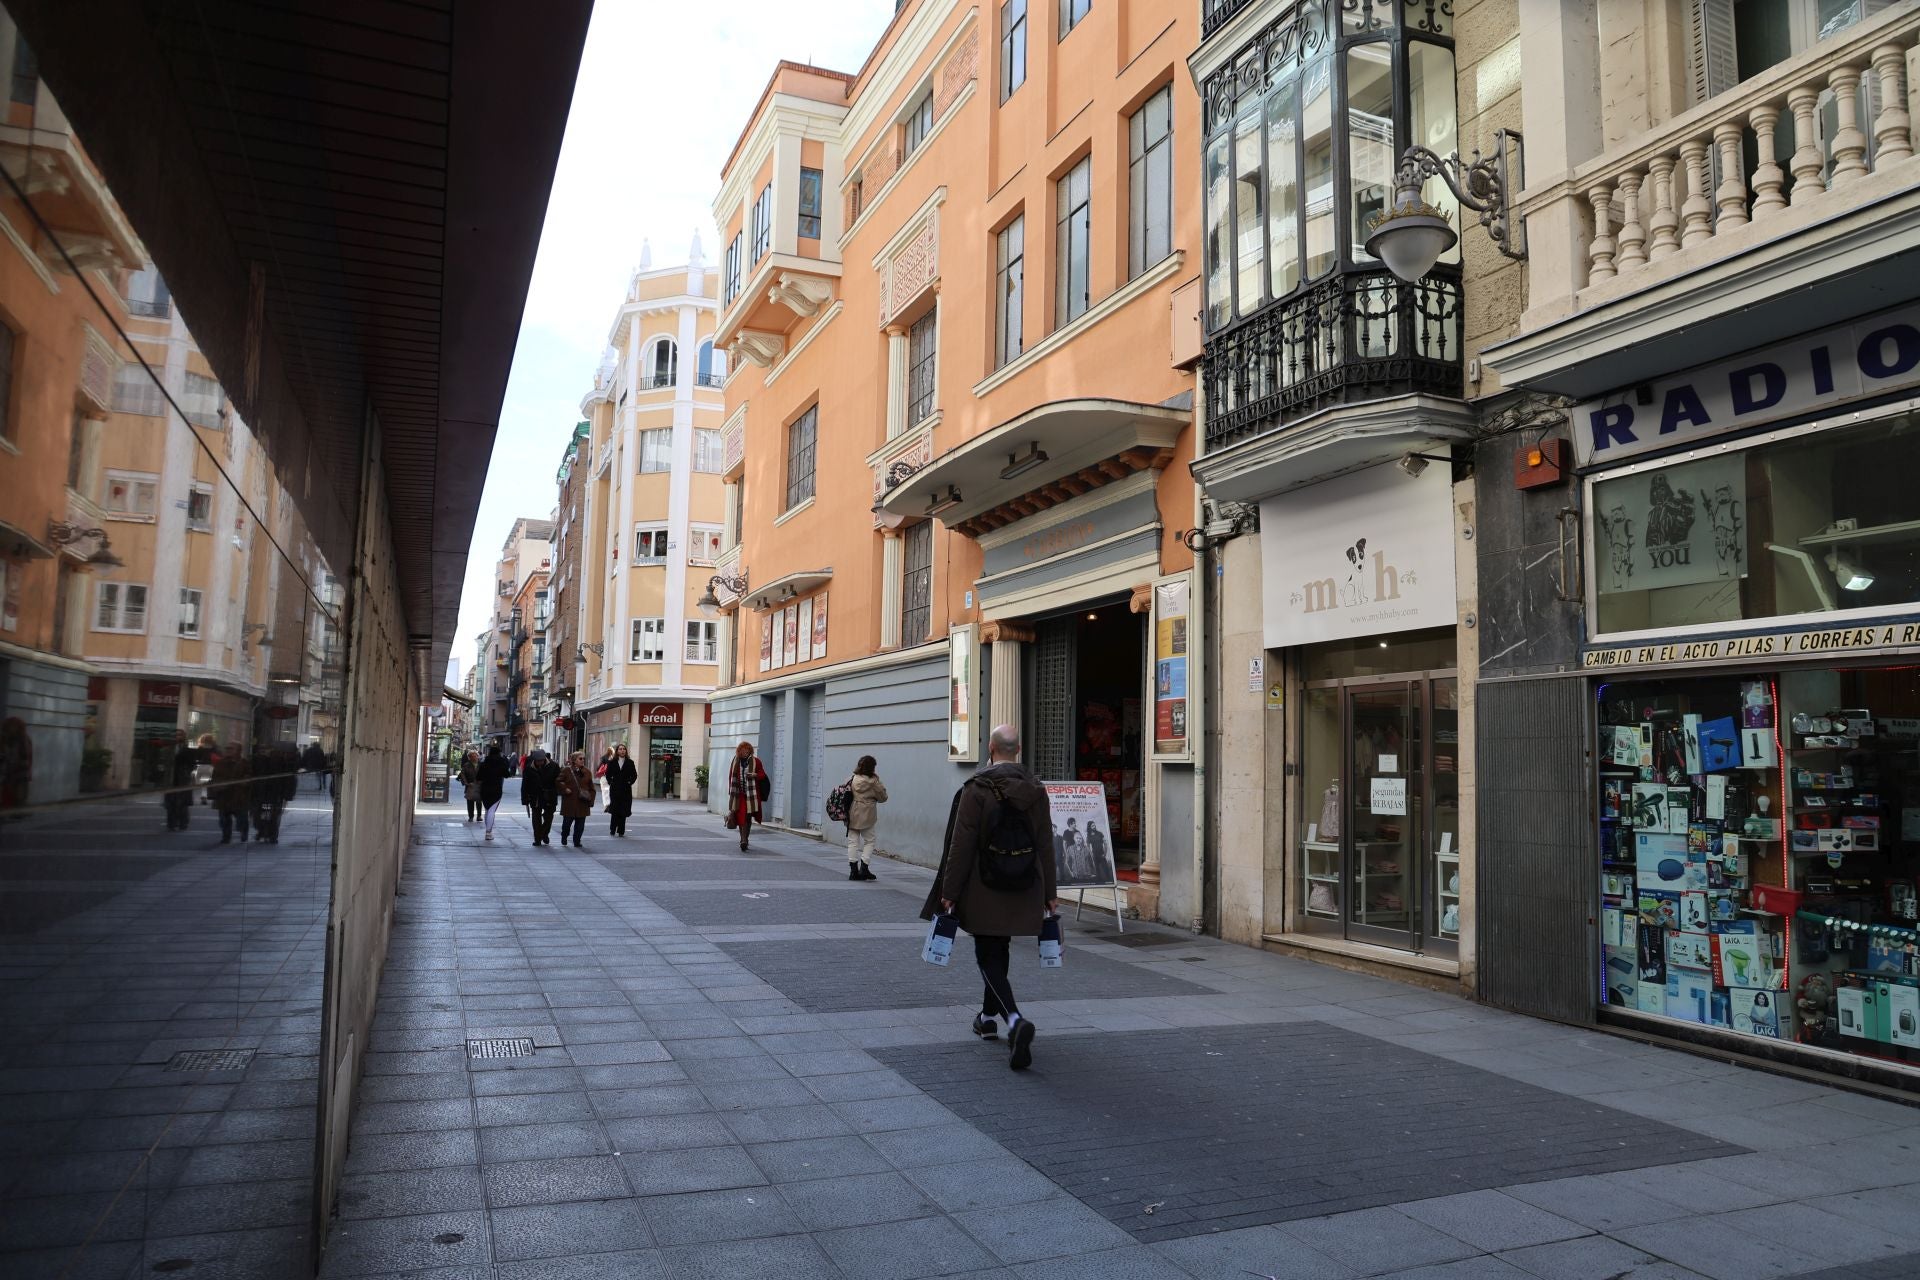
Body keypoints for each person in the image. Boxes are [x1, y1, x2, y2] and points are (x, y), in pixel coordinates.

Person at [922, 723, 1058, 1071]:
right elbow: (1046, 843)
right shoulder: (1037, 789)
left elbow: (961, 844)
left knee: (986, 954)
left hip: (985, 884)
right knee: (1000, 948)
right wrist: (1051, 893)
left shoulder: (977, 788)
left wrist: (949, 892)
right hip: (1026, 882)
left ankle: (1014, 1019)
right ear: (1019, 749)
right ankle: (987, 1018)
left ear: (990, 748)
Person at [846, 754, 888, 881]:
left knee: (853, 841)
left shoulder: (853, 779)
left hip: (852, 812)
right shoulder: (874, 782)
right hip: (867, 814)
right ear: (872, 768)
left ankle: (853, 872)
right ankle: (864, 868)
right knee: (869, 840)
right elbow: (883, 797)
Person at [727, 740, 769, 852]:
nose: (745, 752)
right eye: (743, 750)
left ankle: (744, 839)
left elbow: (762, 774)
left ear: (750, 751)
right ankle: (743, 840)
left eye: (747, 750)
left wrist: (755, 775)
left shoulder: (756, 762)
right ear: (739, 751)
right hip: (739, 794)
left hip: (752, 795)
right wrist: (730, 791)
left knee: (748, 817)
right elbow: (731, 776)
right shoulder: (735, 761)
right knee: (742, 816)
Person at [211, 741, 253, 844]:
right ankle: (226, 837)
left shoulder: (244, 763)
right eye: (227, 748)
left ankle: (244, 832)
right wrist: (218, 786)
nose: (228, 750)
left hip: (239, 797)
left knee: (242, 818)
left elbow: (249, 777)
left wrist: (245, 782)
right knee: (224, 819)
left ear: (238, 750)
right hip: (224, 796)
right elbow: (215, 777)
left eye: (231, 748)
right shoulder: (220, 763)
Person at [556, 750, 597, 848]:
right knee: (567, 823)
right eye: (580, 758)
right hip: (569, 802)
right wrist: (565, 789)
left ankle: (577, 841)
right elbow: (558, 781)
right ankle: (564, 836)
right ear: (574, 760)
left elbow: (592, 788)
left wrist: (591, 801)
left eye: (583, 759)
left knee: (580, 825)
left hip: (583, 802)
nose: (583, 760)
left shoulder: (587, 772)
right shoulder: (567, 770)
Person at [522, 747, 560, 847]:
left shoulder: (553, 766)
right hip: (535, 796)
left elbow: (559, 781)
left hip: (549, 795)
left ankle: (544, 834)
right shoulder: (529, 767)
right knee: (536, 818)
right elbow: (525, 784)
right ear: (534, 760)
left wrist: (558, 791)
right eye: (538, 761)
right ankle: (537, 839)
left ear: (544, 759)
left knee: (548, 817)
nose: (540, 763)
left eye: (541, 761)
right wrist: (524, 798)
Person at [164, 731, 198, 830]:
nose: (178, 737)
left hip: (183, 779)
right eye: (176, 735)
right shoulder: (169, 749)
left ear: (184, 737)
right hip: (171, 780)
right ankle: (171, 823)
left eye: (180, 735)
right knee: (170, 803)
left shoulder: (189, 750)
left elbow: (192, 765)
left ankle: (183, 823)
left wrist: (187, 773)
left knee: (183, 803)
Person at [477, 743, 510, 840]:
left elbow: (478, 777)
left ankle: (488, 832)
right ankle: (488, 832)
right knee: (492, 810)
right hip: (496, 789)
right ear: (499, 753)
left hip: (485, 789)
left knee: (487, 809)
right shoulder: (501, 763)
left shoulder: (484, 763)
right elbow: (507, 774)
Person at [604, 742, 637, 836]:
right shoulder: (612, 762)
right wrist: (611, 782)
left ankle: (621, 830)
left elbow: (634, 775)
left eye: (624, 749)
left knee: (623, 810)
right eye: (620, 749)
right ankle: (612, 829)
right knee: (615, 810)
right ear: (617, 751)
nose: (622, 751)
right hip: (615, 789)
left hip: (626, 790)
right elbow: (608, 774)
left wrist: (630, 782)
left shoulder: (630, 762)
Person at [0, 717, 31, 811]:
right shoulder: (5, 738)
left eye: (14, 726)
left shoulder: (23, 739)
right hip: (7, 770)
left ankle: (17, 810)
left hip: (19, 771)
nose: (12, 729)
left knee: (19, 792)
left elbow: (25, 756)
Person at [459, 751, 481, 821]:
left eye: (475, 756)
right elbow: (462, 775)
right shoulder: (466, 765)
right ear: (469, 758)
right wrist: (466, 783)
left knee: (479, 801)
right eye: (472, 756)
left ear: (478, 756)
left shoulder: (482, 765)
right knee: (470, 802)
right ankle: (471, 816)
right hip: (470, 785)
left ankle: (479, 816)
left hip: (479, 786)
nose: (474, 757)